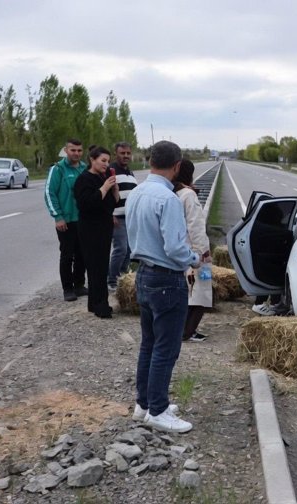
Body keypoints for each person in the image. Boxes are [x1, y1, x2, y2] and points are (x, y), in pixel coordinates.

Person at [126, 140, 201, 434]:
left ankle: (144, 404)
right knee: (166, 349)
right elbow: (174, 247)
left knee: (149, 344)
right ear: (178, 166)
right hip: (168, 279)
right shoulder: (168, 199)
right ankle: (157, 410)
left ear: (150, 160)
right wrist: (194, 258)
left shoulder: (137, 193)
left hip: (143, 274)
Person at [73, 146, 119, 318]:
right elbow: (87, 203)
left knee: (101, 265)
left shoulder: (104, 177)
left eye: (108, 161)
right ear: (92, 160)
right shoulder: (84, 179)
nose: (106, 164)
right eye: (103, 161)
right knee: (95, 267)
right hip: (90, 228)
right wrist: (105, 187)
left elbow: (111, 204)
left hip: (104, 226)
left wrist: (114, 190)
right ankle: (101, 305)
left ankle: (95, 302)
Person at [173, 160, 212, 342]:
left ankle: (180, 329)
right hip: (196, 253)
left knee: (186, 293)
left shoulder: (173, 192)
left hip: (179, 251)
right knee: (201, 293)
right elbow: (196, 226)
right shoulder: (188, 195)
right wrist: (203, 252)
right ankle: (188, 331)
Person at [45, 138, 88, 302]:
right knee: (67, 255)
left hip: (83, 220)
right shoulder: (58, 169)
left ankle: (79, 285)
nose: (76, 153)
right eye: (73, 150)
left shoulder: (85, 168)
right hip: (66, 221)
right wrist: (58, 217)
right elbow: (50, 193)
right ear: (66, 150)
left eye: (79, 150)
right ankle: (68, 289)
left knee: (82, 254)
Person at [107, 142, 139, 292]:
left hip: (129, 218)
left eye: (128, 153)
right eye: (122, 153)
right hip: (116, 218)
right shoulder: (110, 171)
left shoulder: (130, 173)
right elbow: (106, 194)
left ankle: (123, 277)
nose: (126, 156)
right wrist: (110, 214)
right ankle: (112, 280)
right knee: (120, 249)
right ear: (116, 154)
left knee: (128, 250)